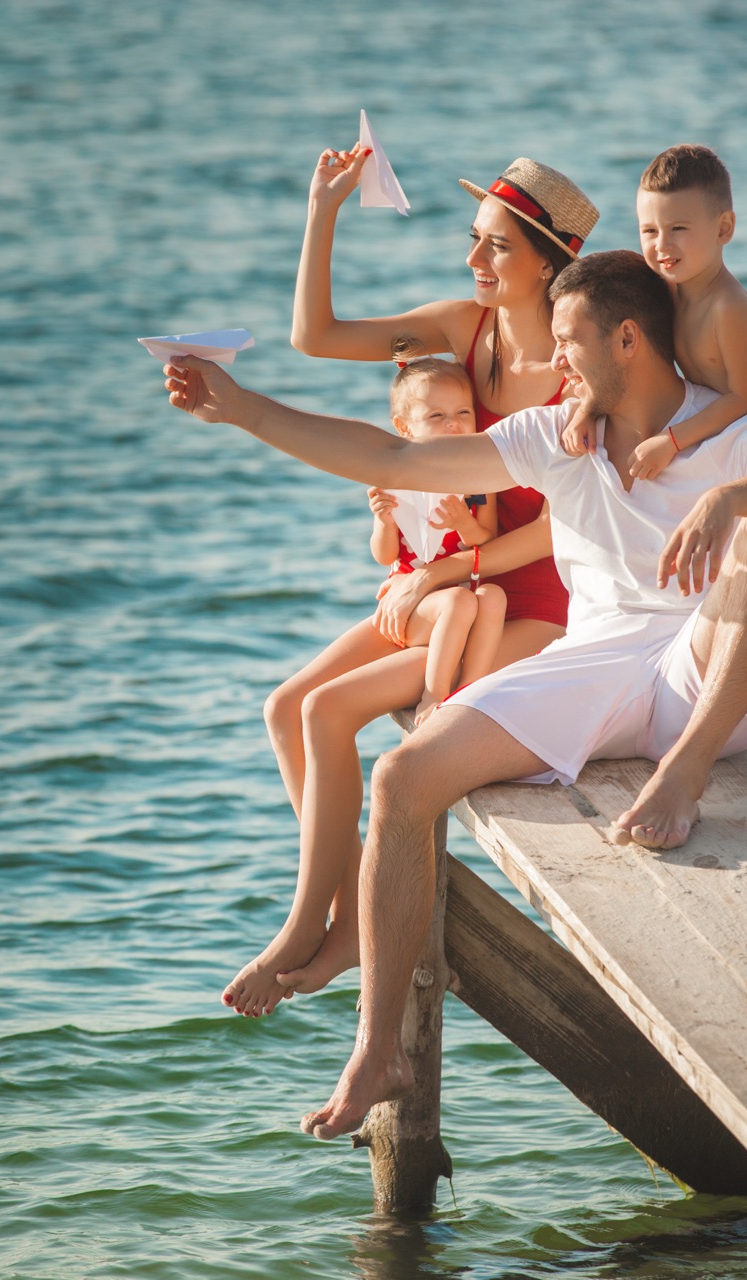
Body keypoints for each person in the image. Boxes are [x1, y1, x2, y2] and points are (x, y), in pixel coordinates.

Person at [161, 250, 747, 1137]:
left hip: (703, 664)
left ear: (627, 340)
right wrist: (241, 408)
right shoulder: (555, 434)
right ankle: (378, 1050)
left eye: (569, 341)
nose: (553, 360)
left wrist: (727, 501)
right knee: (402, 779)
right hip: (593, 660)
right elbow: (392, 455)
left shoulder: (731, 426)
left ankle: (685, 771)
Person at [223, 150, 599, 1018]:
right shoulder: (465, 330)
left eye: (496, 245)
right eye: (474, 239)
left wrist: (444, 568)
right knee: (286, 706)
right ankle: (349, 914)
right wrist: (322, 210)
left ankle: (308, 928)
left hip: (532, 608)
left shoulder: (577, 370)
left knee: (328, 711)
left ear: (547, 261)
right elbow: (318, 338)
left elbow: (559, 528)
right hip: (443, 592)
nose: (474, 261)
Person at [560, 144, 747, 742]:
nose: (662, 245)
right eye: (649, 230)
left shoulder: (726, 306)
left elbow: (745, 397)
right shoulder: (668, 287)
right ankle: (744, 684)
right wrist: (589, 404)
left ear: (724, 229)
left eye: (679, 230)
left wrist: (670, 441)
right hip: (729, 431)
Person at [366, 359, 509, 724]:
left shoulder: (479, 479)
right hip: (412, 606)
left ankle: (470, 689)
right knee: (459, 602)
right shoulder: (396, 480)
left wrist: (464, 524)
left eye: (463, 412)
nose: (453, 424)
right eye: (436, 416)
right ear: (404, 427)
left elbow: (487, 540)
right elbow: (385, 556)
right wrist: (383, 523)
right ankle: (435, 693)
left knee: (494, 596)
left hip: (459, 594)